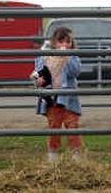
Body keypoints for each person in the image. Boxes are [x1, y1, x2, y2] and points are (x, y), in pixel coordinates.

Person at [32, 27, 82, 162]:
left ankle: (76, 157)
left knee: (72, 127)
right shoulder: (45, 56)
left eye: (68, 42)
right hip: (52, 99)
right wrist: (38, 79)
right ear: (54, 42)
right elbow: (37, 72)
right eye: (61, 42)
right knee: (54, 127)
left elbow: (75, 72)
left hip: (69, 100)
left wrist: (68, 58)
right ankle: (52, 157)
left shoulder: (72, 56)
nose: (64, 45)